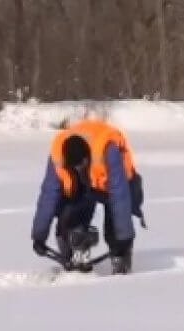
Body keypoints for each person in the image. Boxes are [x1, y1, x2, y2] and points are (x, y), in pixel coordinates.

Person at [30, 114, 145, 274]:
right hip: (85, 185)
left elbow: (120, 195)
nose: (79, 168)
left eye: (81, 165)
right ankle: (76, 250)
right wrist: (39, 236)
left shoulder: (108, 150)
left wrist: (124, 238)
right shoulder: (58, 156)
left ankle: (121, 260)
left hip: (117, 184)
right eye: (74, 167)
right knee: (69, 215)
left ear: (87, 157)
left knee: (116, 223)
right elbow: (49, 194)